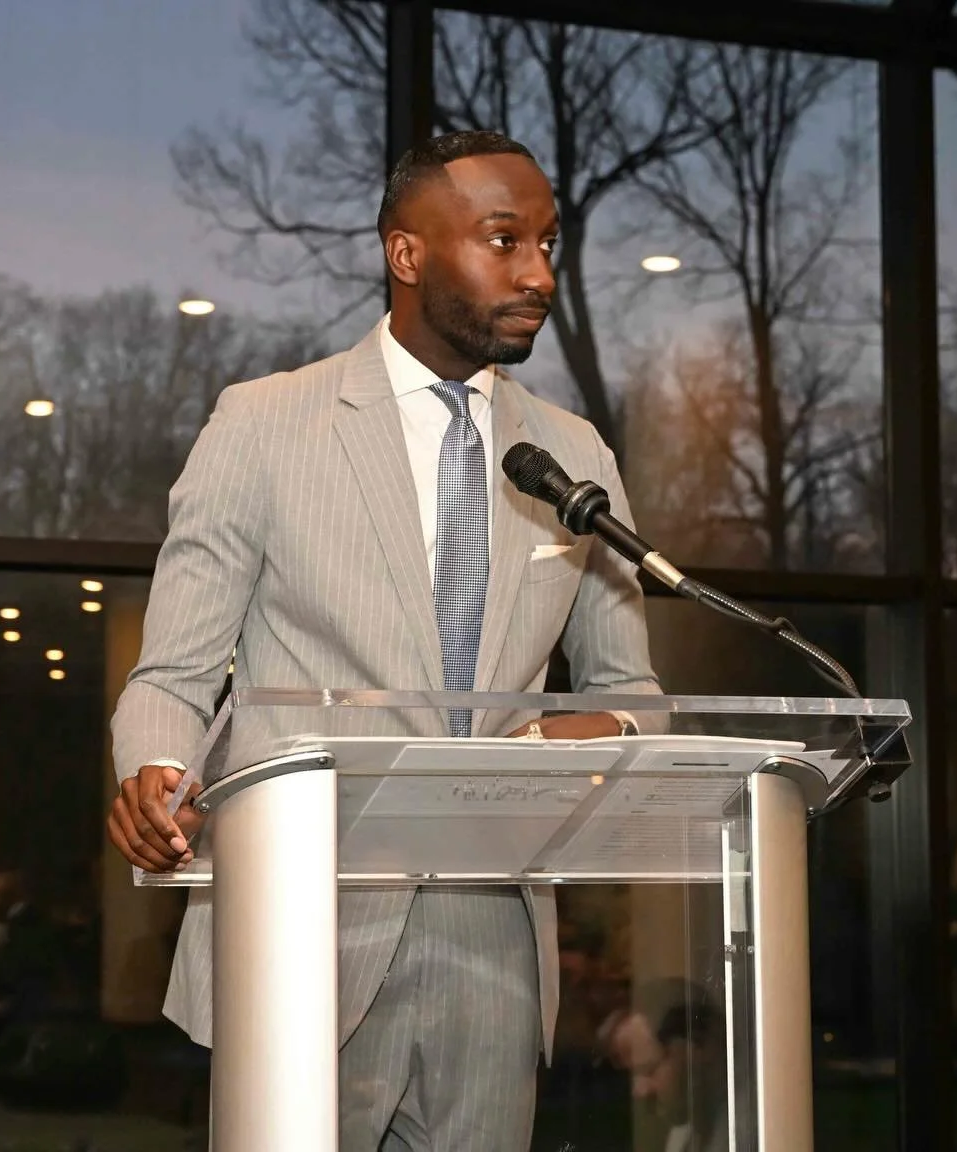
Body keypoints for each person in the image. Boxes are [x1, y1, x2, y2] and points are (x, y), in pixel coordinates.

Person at [107, 130, 661, 1151]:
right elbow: (172, 677)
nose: (539, 275)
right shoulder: (263, 424)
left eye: (548, 244)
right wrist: (154, 771)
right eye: (505, 241)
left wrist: (572, 738)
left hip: (495, 945)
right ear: (407, 253)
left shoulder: (572, 453)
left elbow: (634, 697)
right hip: (298, 925)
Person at [599, 980, 728, 1152]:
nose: (639, 1091)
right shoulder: (681, 1138)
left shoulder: (749, 1133)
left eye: (649, 1070)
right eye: (632, 1075)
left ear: (700, 1049)